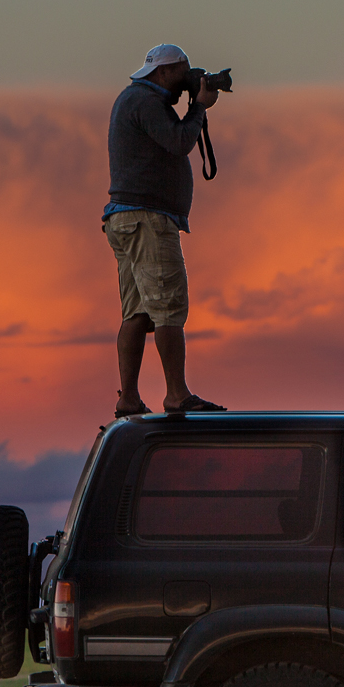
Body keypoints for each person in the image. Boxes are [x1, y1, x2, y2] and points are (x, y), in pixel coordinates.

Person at [104, 43, 226, 417]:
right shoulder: (145, 102)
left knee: (138, 312)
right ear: (163, 72)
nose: (188, 79)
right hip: (148, 219)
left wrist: (193, 104)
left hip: (128, 217)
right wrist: (199, 107)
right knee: (168, 306)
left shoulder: (136, 99)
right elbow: (179, 142)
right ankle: (176, 393)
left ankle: (128, 398)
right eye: (184, 72)